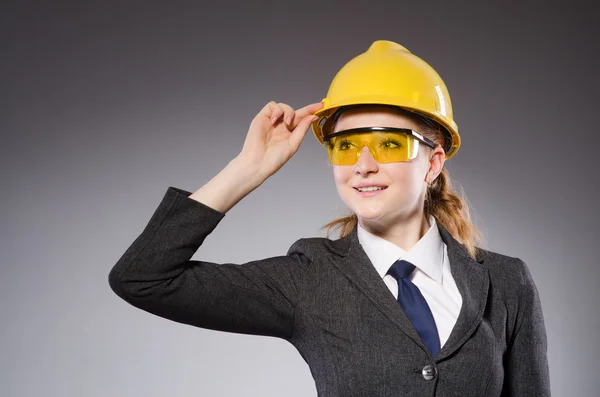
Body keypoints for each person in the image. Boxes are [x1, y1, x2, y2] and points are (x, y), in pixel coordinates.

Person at [108, 40, 551, 396]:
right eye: (345, 146)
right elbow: (142, 278)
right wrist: (249, 168)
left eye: (387, 144)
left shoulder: (507, 281)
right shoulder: (310, 279)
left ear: (433, 164)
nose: (362, 165)